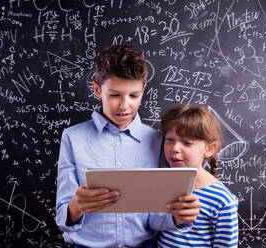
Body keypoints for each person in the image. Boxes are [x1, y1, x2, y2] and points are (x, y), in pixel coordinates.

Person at [55, 45, 201, 248]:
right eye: (114, 95)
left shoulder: (158, 140)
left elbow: (156, 218)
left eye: (134, 95)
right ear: (97, 90)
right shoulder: (73, 138)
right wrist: (76, 206)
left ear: (144, 89)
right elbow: (62, 218)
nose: (125, 106)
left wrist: (179, 216)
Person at [156, 105, 239, 248]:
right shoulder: (161, 184)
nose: (175, 148)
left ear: (209, 149)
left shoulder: (223, 201)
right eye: (170, 139)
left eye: (187, 143)